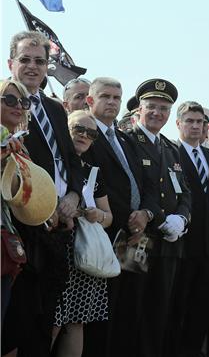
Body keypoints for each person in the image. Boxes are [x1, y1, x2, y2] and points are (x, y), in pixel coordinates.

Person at [3, 31, 83, 357]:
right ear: (11, 63)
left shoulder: (54, 108)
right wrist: (41, 206)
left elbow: (71, 161)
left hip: (59, 232)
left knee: (44, 321)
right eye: (25, 59)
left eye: (40, 61)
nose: (33, 67)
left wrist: (75, 197)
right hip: (20, 231)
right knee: (12, 325)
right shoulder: (4, 102)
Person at [83, 77, 154, 357]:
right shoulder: (86, 134)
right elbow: (97, 186)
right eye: (105, 96)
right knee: (102, 307)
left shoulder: (126, 138)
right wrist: (128, 218)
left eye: (116, 97)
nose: (112, 102)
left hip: (138, 236)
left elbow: (147, 182)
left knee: (131, 304)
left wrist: (146, 215)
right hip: (106, 233)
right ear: (90, 100)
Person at [126, 79, 191, 357]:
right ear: (139, 109)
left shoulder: (170, 147)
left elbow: (185, 192)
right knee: (132, 307)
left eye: (164, 108)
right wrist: (162, 219)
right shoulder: (128, 141)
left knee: (160, 309)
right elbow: (137, 188)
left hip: (169, 243)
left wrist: (182, 220)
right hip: (139, 240)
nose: (157, 113)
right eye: (151, 106)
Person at [170, 100, 209, 357]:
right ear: (179, 124)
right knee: (177, 307)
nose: (196, 126)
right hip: (181, 244)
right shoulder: (170, 152)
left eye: (200, 122)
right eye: (190, 121)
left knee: (202, 308)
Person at [52, 110, 113, 357]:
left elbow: (109, 217)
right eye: (79, 129)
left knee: (77, 321)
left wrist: (97, 215)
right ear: (65, 128)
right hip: (54, 248)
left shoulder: (93, 172)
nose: (84, 136)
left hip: (84, 256)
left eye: (91, 133)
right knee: (52, 321)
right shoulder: (52, 161)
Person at [0, 79, 31, 324]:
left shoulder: (19, 145)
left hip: (8, 243)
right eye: (9, 99)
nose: (18, 106)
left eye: (24, 101)